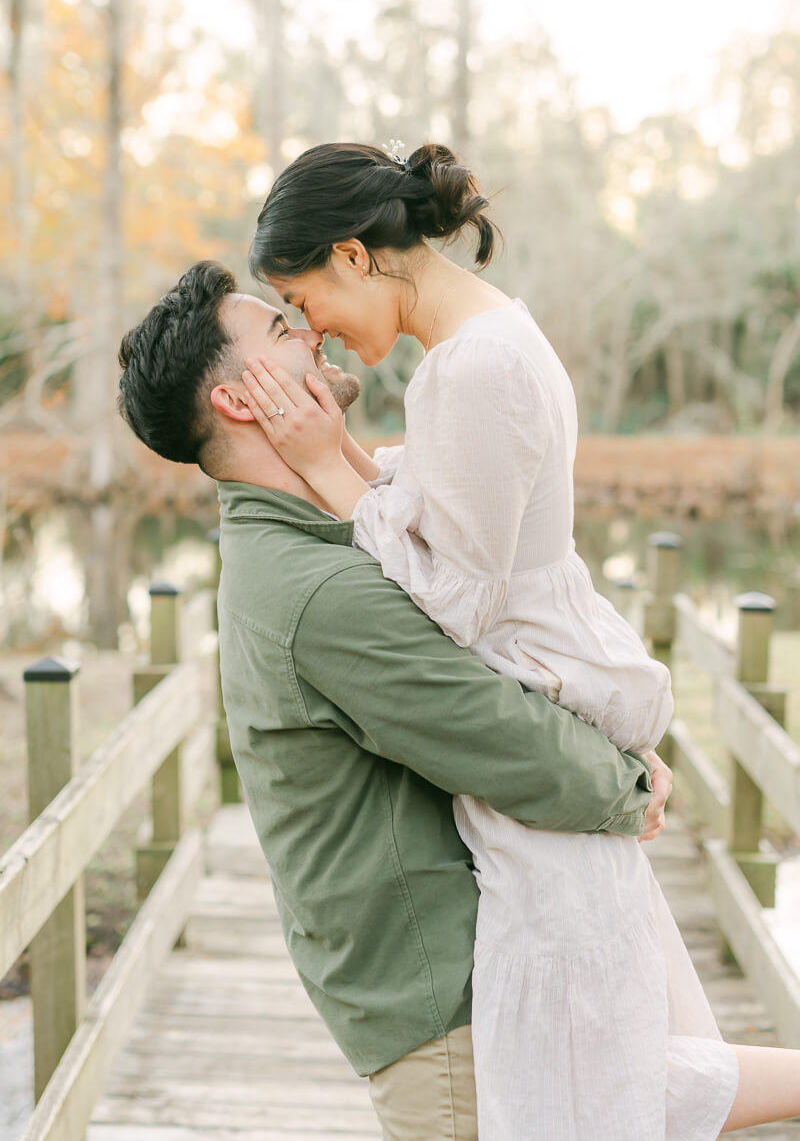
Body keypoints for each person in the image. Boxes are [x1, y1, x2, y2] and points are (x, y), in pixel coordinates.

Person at [242, 141, 800, 1139]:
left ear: (353, 257)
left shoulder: (474, 370)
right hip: (544, 694)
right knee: (597, 1066)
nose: (311, 329)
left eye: (302, 296)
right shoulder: (484, 350)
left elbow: (449, 600)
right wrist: (348, 461)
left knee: (580, 1081)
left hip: (535, 705)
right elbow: (449, 518)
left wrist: (327, 468)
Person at [117, 259, 671, 1140]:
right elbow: (501, 734)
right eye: (279, 328)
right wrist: (628, 784)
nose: (312, 330)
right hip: (444, 1022)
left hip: (467, 992)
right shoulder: (312, 590)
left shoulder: (315, 539)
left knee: (675, 1095)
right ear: (238, 399)